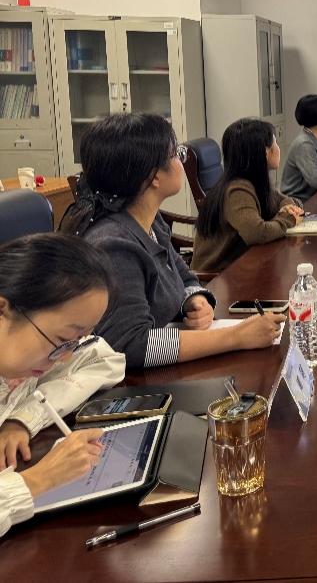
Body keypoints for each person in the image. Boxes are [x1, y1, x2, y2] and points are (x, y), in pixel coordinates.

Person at [60, 113, 284, 370]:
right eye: (175, 154)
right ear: (154, 176)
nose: (180, 162)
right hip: (138, 384)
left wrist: (194, 300)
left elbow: (185, 277)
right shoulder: (114, 245)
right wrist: (236, 336)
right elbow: (131, 345)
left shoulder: (149, 222)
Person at [0, 233, 125, 537]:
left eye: (75, 341)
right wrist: (41, 479)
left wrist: (22, 419)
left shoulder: (18, 363)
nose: (65, 357)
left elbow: (102, 357)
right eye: (62, 340)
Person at [192, 118, 303, 272]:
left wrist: (288, 207)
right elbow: (257, 233)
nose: (278, 148)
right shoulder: (237, 191)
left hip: (241, 266)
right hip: (217, 278)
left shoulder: (254, 182)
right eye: (275, 143)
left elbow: (287, 200)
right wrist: (288, 218)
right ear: (265, 152)